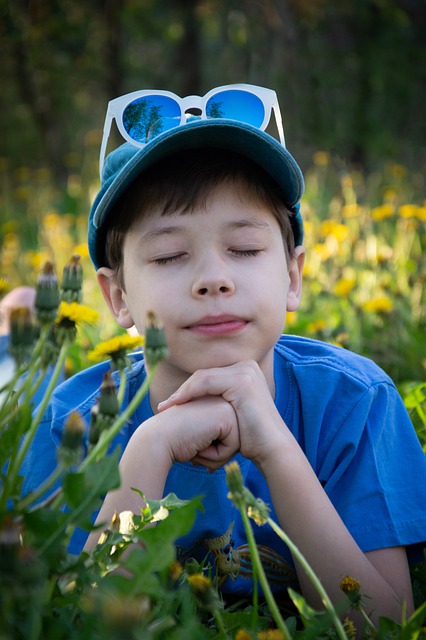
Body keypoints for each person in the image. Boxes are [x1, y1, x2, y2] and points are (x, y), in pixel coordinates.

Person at [21, 84, 426, 628]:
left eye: (244, 249)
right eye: (169, 255)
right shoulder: (68, 426)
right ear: (118, 297)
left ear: (292, 275)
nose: (214, 278)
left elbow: (384, 624)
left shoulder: (355, 401)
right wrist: (149, 447)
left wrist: (278, 449)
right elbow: (84, 622)